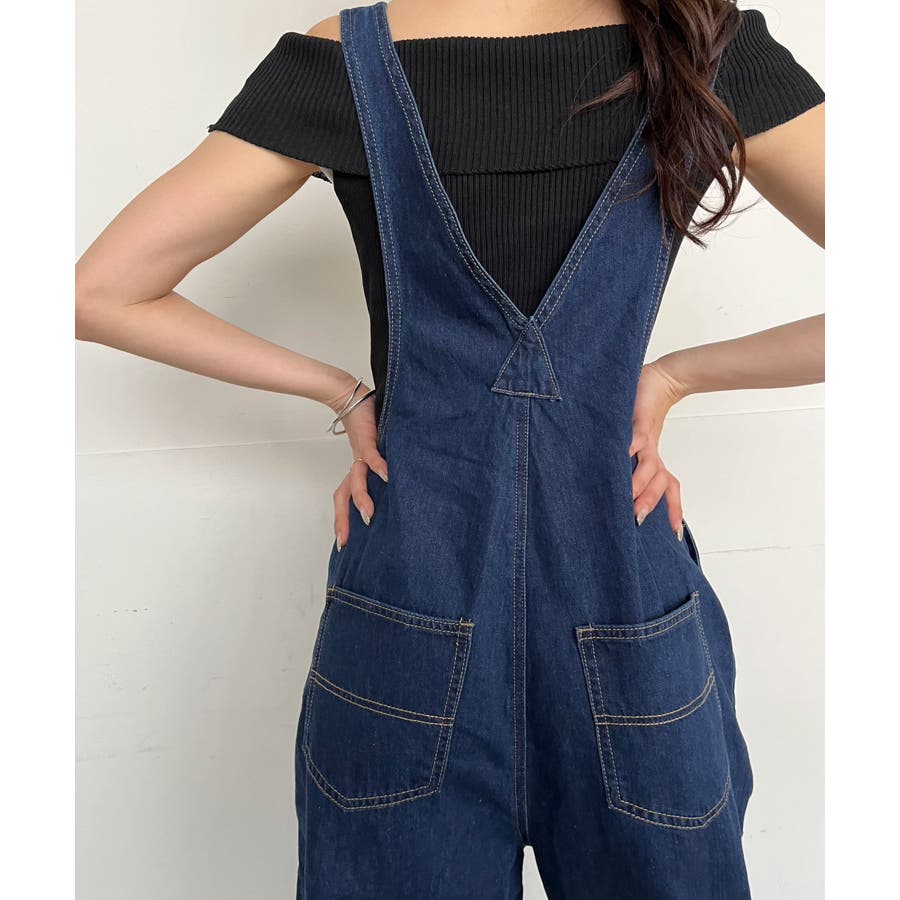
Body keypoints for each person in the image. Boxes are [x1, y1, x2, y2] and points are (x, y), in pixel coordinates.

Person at [75, 1, 824, 896]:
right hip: (626, 598)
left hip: (410, 598)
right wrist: (674, 377)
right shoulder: (706, 49)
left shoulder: (343, 64)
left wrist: (343, 393)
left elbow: (100, 292)